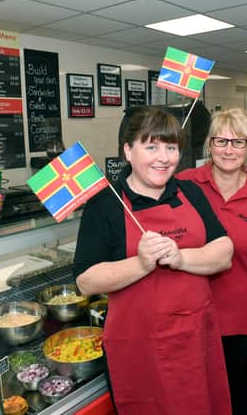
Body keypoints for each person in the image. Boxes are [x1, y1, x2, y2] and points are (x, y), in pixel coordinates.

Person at [73, 107, 234, 415]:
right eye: (151, 147)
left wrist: (180, 256)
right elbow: (86, 281)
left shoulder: (191, 193)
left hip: (195, 339)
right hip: (139, 349)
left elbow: (224, 252)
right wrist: (142, 264)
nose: (164, 157)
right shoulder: (105, 205)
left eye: (171, 147)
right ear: (128, 151)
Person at [177, 108, 247, 415]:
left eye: (238, 142)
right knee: (195, 401)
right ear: (209, 144)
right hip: (191, 317)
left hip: (244, 324)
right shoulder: (184, 185)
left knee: (242, 403)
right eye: (221, 140)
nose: (229, 149)